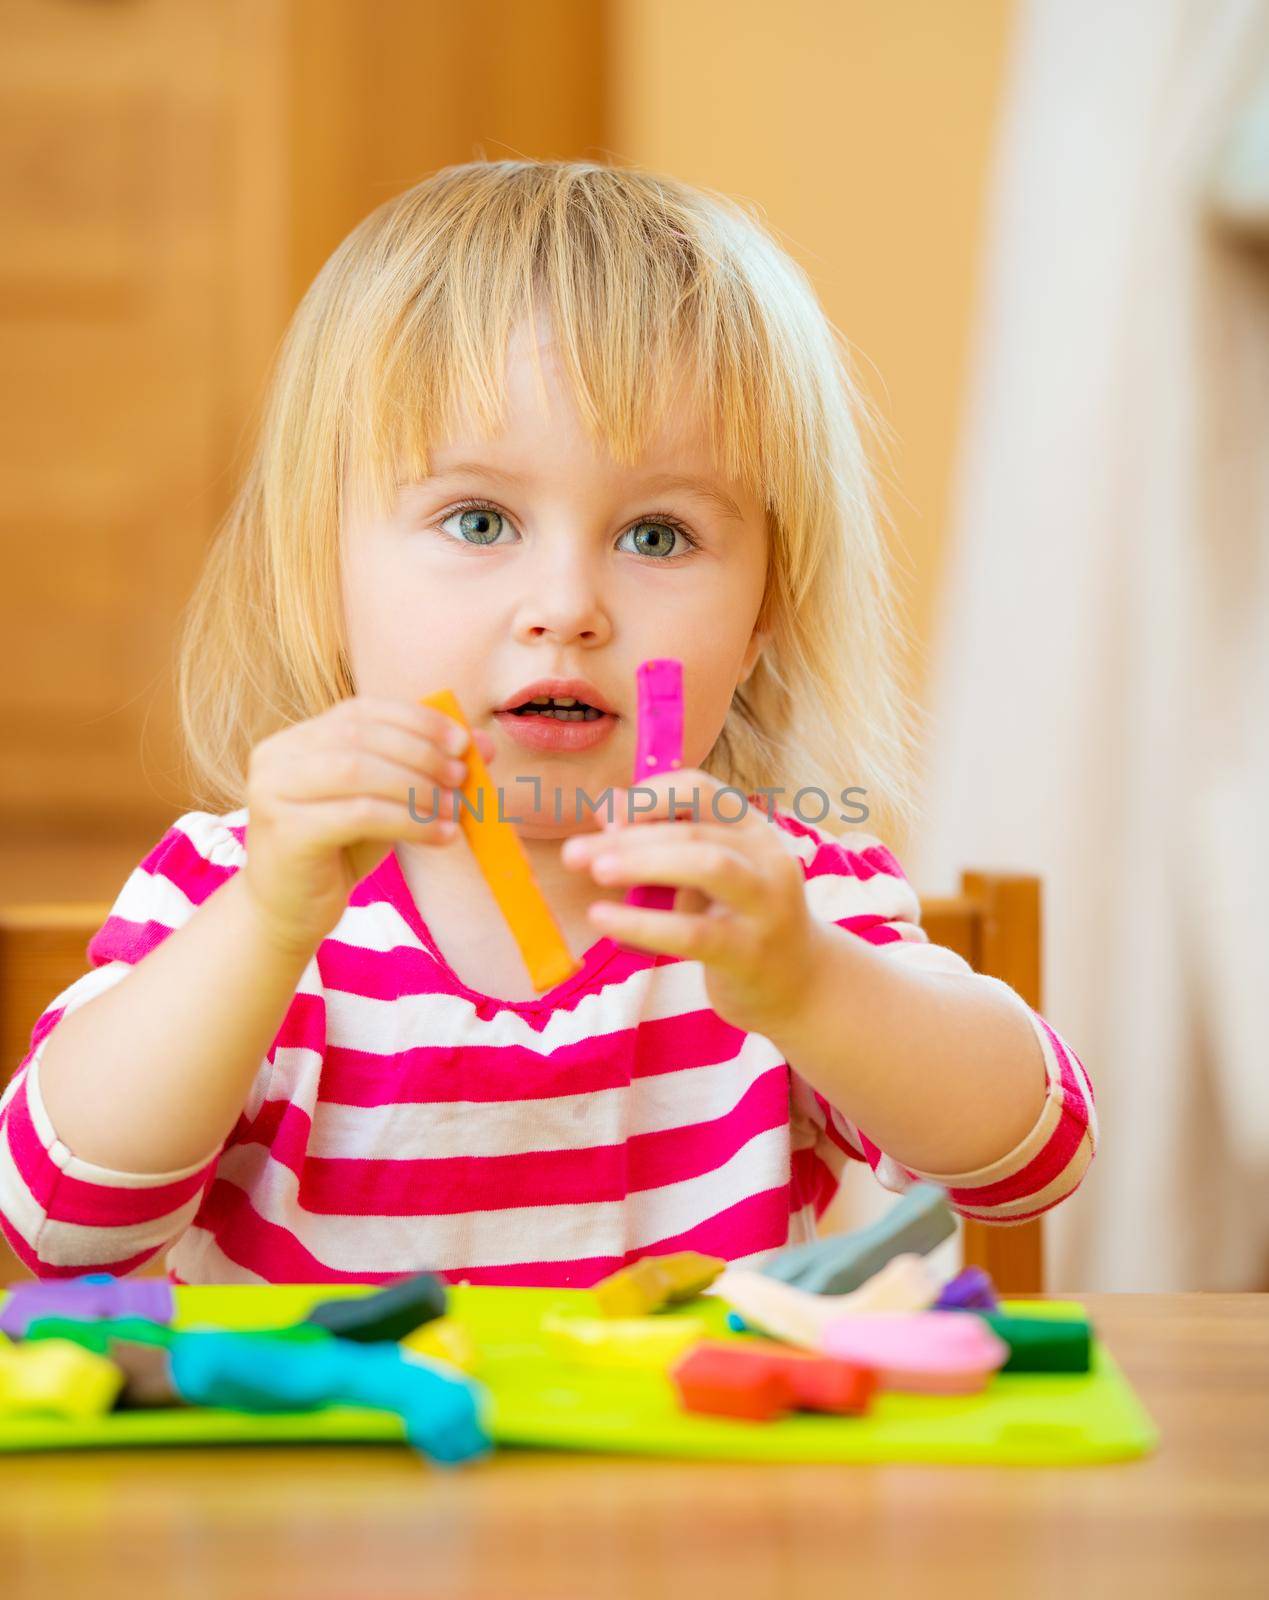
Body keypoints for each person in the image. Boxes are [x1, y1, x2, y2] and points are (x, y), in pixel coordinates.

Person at [0, 161, 1095, 1284]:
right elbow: (55, 1221)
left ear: (765, 612)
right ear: (320, 574)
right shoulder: (237, 892)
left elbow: (1036, 1159)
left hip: (692, 1463)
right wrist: (264, 925)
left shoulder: (780, 902)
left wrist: (814, 986)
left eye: (658, 536)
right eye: (479, 519)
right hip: (330, 1464)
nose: (567, 608)